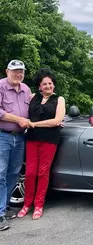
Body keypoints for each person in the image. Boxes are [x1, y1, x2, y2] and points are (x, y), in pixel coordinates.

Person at [17, 68, 65, 220]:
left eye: (50, 83)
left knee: (42, 173)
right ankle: (26, 204)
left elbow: (57, 121)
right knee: (30, 173)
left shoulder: (59, 100)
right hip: (32, 139)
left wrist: (34, 124)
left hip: (49, 140)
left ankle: (38, 205)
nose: (48, 86)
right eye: (45, 84)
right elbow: (21, 112)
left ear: (54, 85)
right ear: (39, 86)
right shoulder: (32, 97)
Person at [0, 59, 31, 231]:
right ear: (7, 71)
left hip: (19, 137)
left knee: (14, 173)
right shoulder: (1, 86)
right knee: (0, 174)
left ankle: (3, 207)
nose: (18, 74)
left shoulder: (26, 89)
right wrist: (18, 119)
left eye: (21, 71)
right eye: (15, 71)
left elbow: (31, 110)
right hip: (2, 136)